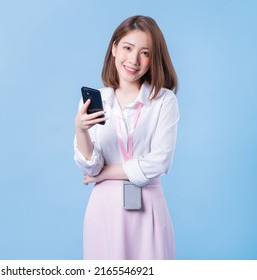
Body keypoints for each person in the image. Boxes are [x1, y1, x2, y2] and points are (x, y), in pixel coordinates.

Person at [74, 15, 179, 260]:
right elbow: (90, 165)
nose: (133, 60)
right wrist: (80, 130)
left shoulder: (164, 101)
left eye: (145, 52)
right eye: (127, 48)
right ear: (114, 48)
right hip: (105, 209)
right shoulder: (94, 101)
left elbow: (161, 161)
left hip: (148, 206)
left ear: (154, 58)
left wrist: (106, 173)